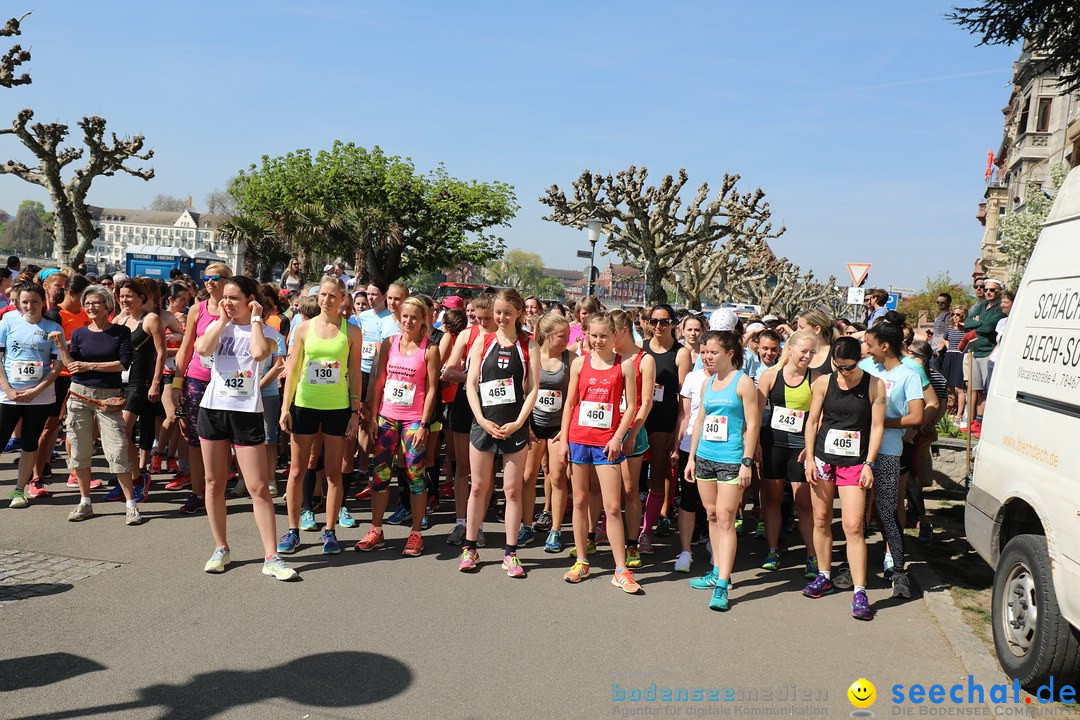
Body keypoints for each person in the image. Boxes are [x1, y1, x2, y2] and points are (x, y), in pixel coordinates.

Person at [193, 275, 297, 580]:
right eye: (225, 297)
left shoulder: (265, 331)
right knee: (214, 484)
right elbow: (202, 348)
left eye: (234, 297)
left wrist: (253, 319)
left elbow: (258, 354)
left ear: (252, 300)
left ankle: (271, 556)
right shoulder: (219, 325)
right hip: (213, 410)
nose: (227, 302)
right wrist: (222, 321)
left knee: (259, 488)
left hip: (246, 412)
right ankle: (221, 548)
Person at [277, 276, 363, 556]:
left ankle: (330, 531)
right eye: (323, 295)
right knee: (297, 469)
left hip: (337, 407)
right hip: (305, 405)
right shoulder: (303, 329)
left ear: (342, 300)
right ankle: (292, 531)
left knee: (334, 473)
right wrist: (285, 407)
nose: (326, 300)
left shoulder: (351, 331)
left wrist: (355, 411)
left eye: (332, 296)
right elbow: (292, 370)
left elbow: (355, 374)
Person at [458, 289, 540, 577]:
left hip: (514, 426)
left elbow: (532, 389)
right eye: (497, 312)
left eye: (507, 312)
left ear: (519, 313)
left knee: (512, 491)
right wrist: (480, 418)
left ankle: (511, 553)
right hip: (484, 424)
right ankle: (470, 548)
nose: (501, 317)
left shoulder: (529, 344)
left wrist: (519, 423)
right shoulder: (483, 340)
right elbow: (471, 385)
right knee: (479, 487)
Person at [802, 336, 885, 620]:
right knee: (821, 519)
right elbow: (813, 421)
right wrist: (810, 458)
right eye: (838, 367)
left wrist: (869, 463)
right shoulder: (824, 382)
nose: (843, 373)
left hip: (855, 463)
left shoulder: (874, 385)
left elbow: (876, 427)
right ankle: (823, 575)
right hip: (824, 460)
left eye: (848, 368)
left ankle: (860, 590)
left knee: (852, 526)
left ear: (859, 361)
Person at [559, 311, 640, 592]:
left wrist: (619, 436)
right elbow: (570, 403)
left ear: (614, 335)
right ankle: (581, 560)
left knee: (612, 506)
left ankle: (621, 569)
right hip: (579, 439)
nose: (598, 340)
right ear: (586, 335)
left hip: (608, 443)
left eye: (603, 335)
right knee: (579, 500)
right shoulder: (579, 363)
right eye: (593, 335)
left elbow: (631, 406)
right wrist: (563, 441)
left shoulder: (625, 365)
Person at [355, 297, 440, 556]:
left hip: (414, 420)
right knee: (380, 475)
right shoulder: (389, 343)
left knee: (415, 476)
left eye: (414, 317)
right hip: (387, 418)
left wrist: (425, 424)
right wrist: (370, 417)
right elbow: (378, 382)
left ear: (423, 318)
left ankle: (415, 533)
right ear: (398, 318)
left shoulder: (430, 349)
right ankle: (376, 530)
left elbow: (433, 389)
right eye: (405, 317)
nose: (409, 321)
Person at [50, 285, 141, 525]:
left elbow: (123, 364)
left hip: (109, 396)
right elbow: (72, 366)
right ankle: (85, 501)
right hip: (79, 394)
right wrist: (61, 346)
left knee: (118, 447)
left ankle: (130, 504)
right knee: (79, 449)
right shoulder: (80, 334)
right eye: (87, 303)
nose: (90, 307)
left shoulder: (120, 332)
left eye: (96, 303)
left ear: (108, 306)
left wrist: (91, 366)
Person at [684, 330, 760, 611]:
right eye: (704, 352)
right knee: (712, 515)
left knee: (727, 519)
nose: (707, 357)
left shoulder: (744, 383)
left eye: (713, 352)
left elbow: (752, 426)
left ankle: (722, 584)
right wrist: (691, 458)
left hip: (732, 460)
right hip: (705, 457)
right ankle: (716, 570)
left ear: (730, 353)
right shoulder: (708, 383)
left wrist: (747, 462)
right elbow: (700, 421)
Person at [859, 313, 925, 598]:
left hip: (887, 453)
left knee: (886, 512)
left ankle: (899, 571)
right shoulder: (866, 369)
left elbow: (916, 416)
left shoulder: (908, 375)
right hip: (859, 453)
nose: (866, 349)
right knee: (858, 515)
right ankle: (854, 569)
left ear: (884, 346)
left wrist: (882, 423)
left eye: (869, 344)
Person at [170, 263, 233, 514]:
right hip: (198, 378)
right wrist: (177, 382)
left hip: (227, 381)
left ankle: (217, 490)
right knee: (196, 440)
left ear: (228, 280)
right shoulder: (198, 309)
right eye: (206, 278)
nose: (210, 282)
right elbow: (186, 348)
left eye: (216, 277)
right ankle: (198, 493)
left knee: (223, 439)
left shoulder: (238, 309)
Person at [756, 330, 818, 577]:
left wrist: (811, 449)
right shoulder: (770, 376)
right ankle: (773, 549)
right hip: (773, 444)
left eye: (812, 352)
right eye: (804, 351)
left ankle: (813, 555)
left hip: (800, 447)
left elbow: (819, 417)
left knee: (803, 503)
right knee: (771, 500)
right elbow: (756, 413)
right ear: (790, 349)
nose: (808, 356)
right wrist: (756, 445)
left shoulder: (817, 379)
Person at [441, 293, 496, 546]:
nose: (482, 321)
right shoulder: (466, 335)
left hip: (494, 405)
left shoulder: (506, 337)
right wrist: (471, 378)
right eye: (477, 316)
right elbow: (448, 372)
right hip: (465, 403)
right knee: (464, 468)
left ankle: (479, 526)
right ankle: (461, 523)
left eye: (487, 317)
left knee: (485, 473)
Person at [2, 283, 63, 508]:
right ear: (18, 302)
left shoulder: (53, 327)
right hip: (9, 394)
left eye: (34, 302)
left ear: (43, 302)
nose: (29, 306)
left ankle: (19, 490)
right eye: (25, 302)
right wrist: (7, 389)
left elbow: (57, 366)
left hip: (40, 396)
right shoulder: (8, 322)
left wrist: (37, 390)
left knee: (30, 443)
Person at [640, 304, 692, 552]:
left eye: (664, 321)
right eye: (654, 321)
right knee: (630, 478)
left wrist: (677, 431)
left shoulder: (680, 353)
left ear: (673, 324)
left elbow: (684, 396)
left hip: (664, 419)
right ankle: (615, 524)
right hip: (640, 417)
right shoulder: (642, 348)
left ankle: (647, 531)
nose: (659, 326)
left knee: (658, 474)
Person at [523, 312, 575, 552]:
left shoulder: (571, 359)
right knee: (528, 477)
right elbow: (525, 392)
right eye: (562, 336)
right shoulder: (532, 357)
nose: (567, 339)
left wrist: (565, 429)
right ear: (547, 335)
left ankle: (555, 530)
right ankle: (526, 525)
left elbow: (576, 398)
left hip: (557, 429)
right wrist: (526, 424)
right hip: (533, 426)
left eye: (567, 335)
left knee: (556, 477)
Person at [114, 278, 166, 502]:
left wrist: (155, 383)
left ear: (142, 298)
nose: (125, 300)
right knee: (119, 435)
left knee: (124, 431)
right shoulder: (118, 319)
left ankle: (138, 477)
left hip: (140, 382)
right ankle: (130, 479)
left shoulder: (151, 319)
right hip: (119, 383)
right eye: (122, 296)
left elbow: (161, 353)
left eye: (129, 296)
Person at [610, 309, 654, 568]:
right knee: (604, 490)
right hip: (605, 427)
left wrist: (633, 433)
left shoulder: (644, 359)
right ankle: (598, 536)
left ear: (624, 331)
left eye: (610, 333)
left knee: (630, 490)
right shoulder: (610, 357)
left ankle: (632, 543)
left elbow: (646, 401)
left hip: (633, 430)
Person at [963, 278, 1005, 435]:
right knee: (977, 390)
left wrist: (979, 323)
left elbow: (989, 327)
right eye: (985, 289)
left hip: (988, 352)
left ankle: (983, 422)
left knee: (987, 390)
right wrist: (979, 322)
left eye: (992, 290)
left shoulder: (999, 308)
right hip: (975, 351)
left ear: (999, 291)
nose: (987, 292)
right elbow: (967, 323)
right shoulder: (981, 306)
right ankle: (977, 421)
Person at [941, 306, 969, 426]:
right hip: (949, 356)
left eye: (958, 314)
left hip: (960, 356)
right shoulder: (950, 328)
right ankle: (950, 410)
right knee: (949, 386)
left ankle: (959, 414)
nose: (955, 316)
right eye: (953, 314)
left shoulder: (966, 329)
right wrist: (948, 346)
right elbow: (944, 338)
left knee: (959, 388)